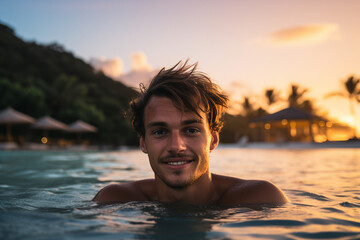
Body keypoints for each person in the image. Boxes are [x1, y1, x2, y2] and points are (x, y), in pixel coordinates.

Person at [93, 61, 288, 206]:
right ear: (143, 143)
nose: (176, 146)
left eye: (191, 130)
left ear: (213, 139)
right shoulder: (115, 201)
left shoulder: (258, 199)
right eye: (160, 132)